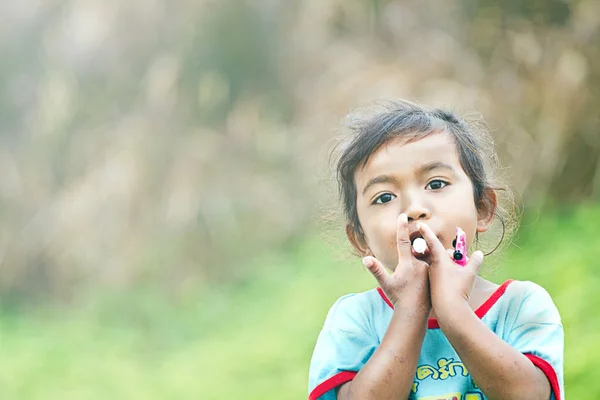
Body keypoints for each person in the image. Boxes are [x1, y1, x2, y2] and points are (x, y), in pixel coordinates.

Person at [308, 100, 564, 400]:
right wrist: (409, 311)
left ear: (482, 208)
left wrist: (453, 310)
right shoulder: (353, 320)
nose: (414, 209)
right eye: (384, 197)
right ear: (360, 238)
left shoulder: (520, 306)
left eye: (436, 183)